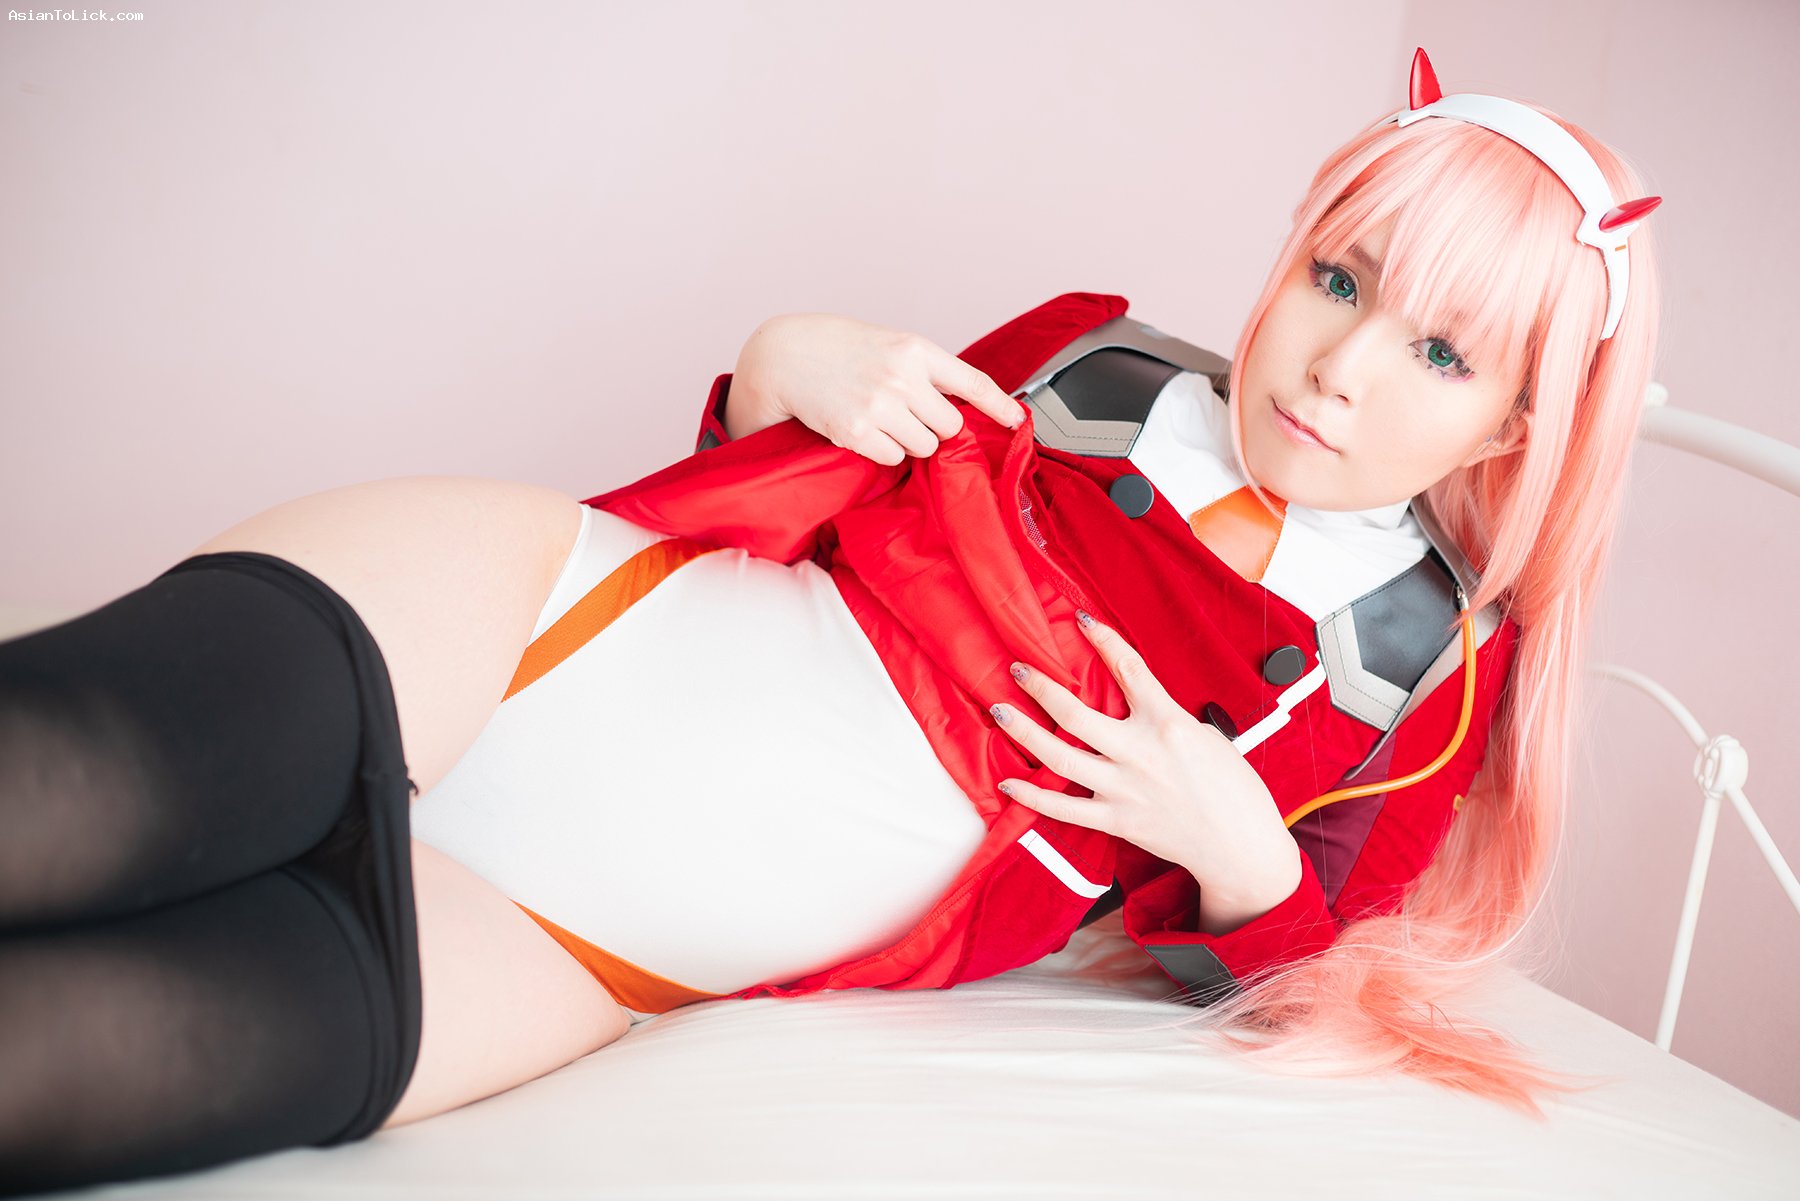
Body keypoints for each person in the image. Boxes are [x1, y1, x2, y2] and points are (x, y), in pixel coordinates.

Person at [0, 47, 1661, 1195]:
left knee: (61, 1075)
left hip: (594, 935)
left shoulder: (1432, 675)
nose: (1343, 365)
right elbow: (791, 482)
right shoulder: (1091, 352)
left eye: (1441, 353)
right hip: (534, 621)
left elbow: (1306, 969)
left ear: (1517, 426)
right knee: (49, 781)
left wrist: (1236, 852)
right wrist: (776, 364)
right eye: (1339, 279)